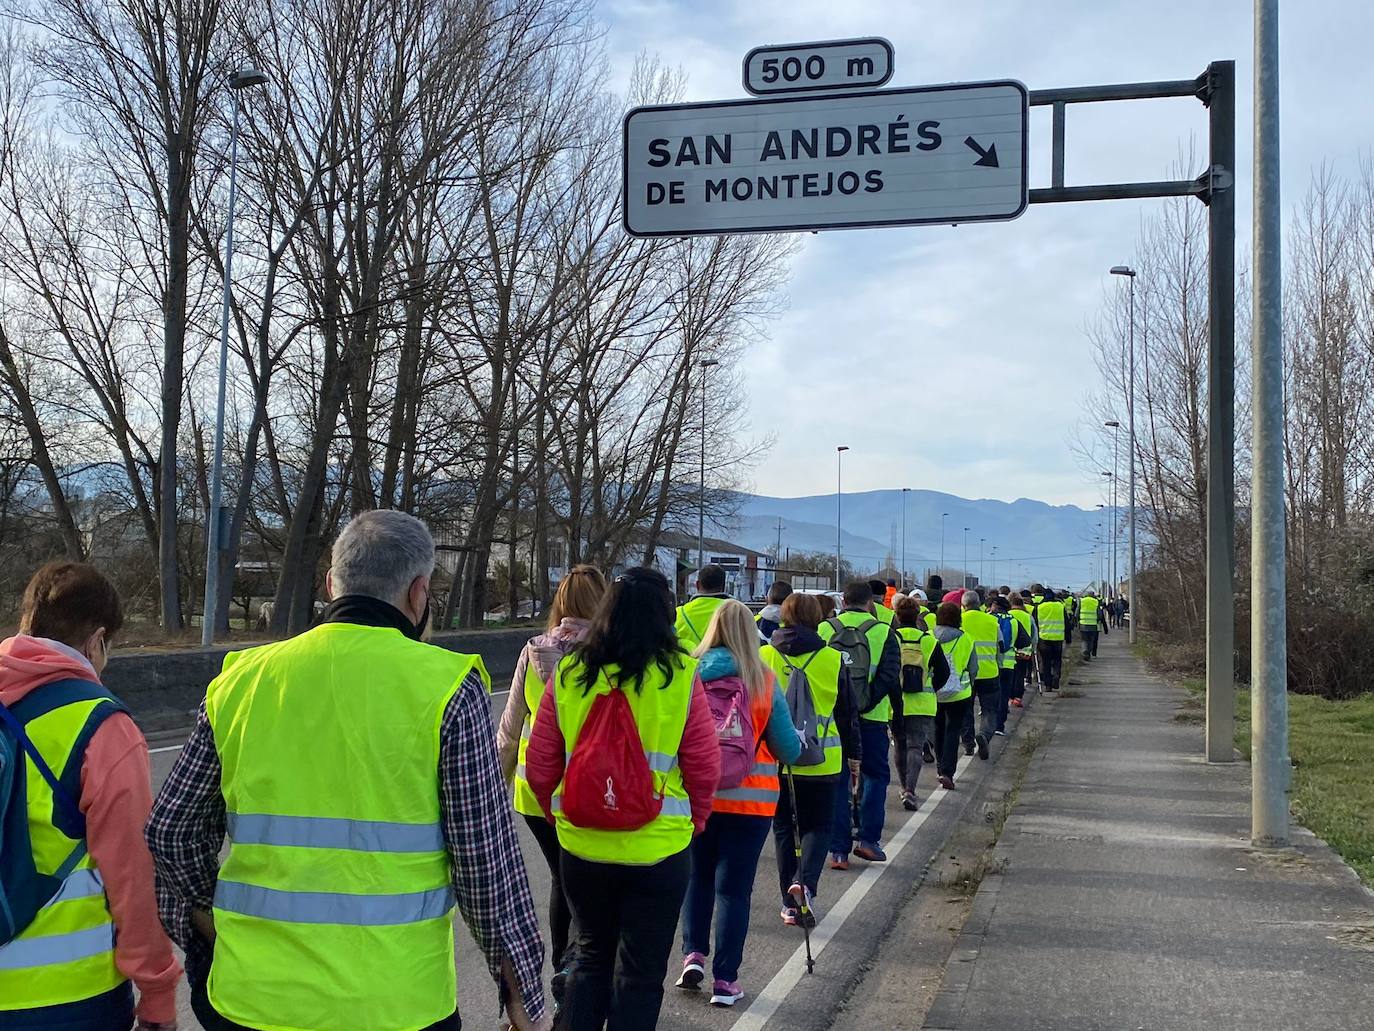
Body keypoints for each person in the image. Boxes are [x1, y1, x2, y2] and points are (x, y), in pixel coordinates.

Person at [148, 511, 548, 1031]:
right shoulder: (447, 686)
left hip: (254, 999)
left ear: (331, 584)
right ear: (419, 593)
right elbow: (485, 863)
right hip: (396, 1003)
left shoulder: (241, 682)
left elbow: (171, 832)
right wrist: (526, 999)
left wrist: (208, 923)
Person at [525, 566, 719, 1031]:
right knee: (641, 973)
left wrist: (560, 816)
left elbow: (540, 761)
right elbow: (703, 765)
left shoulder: (570, 672)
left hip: (584, 847)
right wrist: (696, 820)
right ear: (664, 617)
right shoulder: (680, 677)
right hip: (660, 849)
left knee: (590, 957)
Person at [0, 562, 181, 1031]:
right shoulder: (100, 725)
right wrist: (158, 991)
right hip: (65, 997)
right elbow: (133, 876)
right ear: (95, 640)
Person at [677, 600, 801, 1008]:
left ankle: (693, 954)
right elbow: (787, 748)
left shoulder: (690, 676)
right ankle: (726, 981)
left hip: (699, 796)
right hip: (752, 804)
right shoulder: (763, 680)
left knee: (697, 878)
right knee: (734, 891)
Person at [497, 564, 607, 1007]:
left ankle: (562, 965)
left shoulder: (533, 651)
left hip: (533, 789)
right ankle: (577, 968)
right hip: (588, 789)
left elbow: (509, 728)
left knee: (562, 880)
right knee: (585, 882)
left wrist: (494, 789)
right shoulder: (607, 654)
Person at [762, 592, 853, 927]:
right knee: (820, 826)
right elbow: (847, 714)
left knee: (785, 827)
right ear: (819, 618)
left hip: (777, 761)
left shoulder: (764, 657)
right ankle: (806, 884)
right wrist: (855, 756)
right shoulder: (833, 659)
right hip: (824, 760)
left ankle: (788, 903)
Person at [821, 581, 900, 867]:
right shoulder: (883, 632)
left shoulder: (825, 629)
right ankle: (868, 840)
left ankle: (839, 850)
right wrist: (866, 702)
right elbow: (890, 675)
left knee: (838, 780)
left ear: (843, 600)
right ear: (871, 604)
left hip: (833, 720)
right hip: (872, 719)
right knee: (876, 777)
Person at [891, 596, 950, 811]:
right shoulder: (929, 640)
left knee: (900, 744)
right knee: (916, 746)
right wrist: (931, 688)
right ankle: (910, 790)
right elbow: (944, 671)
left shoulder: (892, 638)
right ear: (918, 616)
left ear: (897, 615)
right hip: (923, 703)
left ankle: (903, 785)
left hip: (896, 703)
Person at [931, 603, 978, 790]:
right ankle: (947, 772)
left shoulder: (928, 636)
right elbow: (973, 668)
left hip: (933, 691)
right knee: (953, 731)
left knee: (937, 728)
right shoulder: (966, 639)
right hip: (959, 693)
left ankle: (939, 766)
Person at [960, 591, 1003, 760]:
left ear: (963, 606)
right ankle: (984, 735)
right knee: (990, 711)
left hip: (965, 674)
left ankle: (968, 745)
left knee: (965, 711)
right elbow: (1001, 647)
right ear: (981, 604)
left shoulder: (960, 621)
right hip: (989, 672)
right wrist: (999, 666)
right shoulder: (993, 621)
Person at [675, 564, 731, 650]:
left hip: (689, 662)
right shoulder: (736, 612)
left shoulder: (679, 613)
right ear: (723, 587)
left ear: (697, 585)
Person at [990, 594, 1018, 736]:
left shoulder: (990, 619)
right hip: (1008, 662)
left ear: (996, 606)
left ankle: (989, 724)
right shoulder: (1013, 620)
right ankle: (999, 726)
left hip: (993, 662)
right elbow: (1021, 640)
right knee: (1004, 695)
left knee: (992, 695)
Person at [1035, 588, 1066, 692]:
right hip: (1058, 638)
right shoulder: (1060, 606)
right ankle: (1056, 677)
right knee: (1057, 660)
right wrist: (1068, 637)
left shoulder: (1039, 607)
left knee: (1046, 662)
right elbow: (1066, 622)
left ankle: (1048, 685)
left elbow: (1035, 624)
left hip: (1044, 639)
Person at [1008, 592, 1036, 709]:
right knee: (1020, 674)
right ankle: (1018, 697)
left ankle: (1009, 696)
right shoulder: (1028, 616)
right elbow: (1034, 635)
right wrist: (1033, 648)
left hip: (1010, 651)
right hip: (1024, 651)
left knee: (1010, 674)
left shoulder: (1008, 615)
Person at [1079, 588, 1106, 659]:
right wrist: (1098, 620)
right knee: (1091, 640)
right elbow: (1099, 614)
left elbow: (1077, 613)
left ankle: (1085, 651)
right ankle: (1089, 652)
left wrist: (1077, 620)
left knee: (1084, 639)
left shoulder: (1081, 601)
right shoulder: (1095, 601)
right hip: (1093, 625)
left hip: (1083, 624)